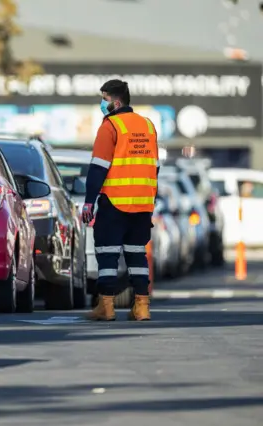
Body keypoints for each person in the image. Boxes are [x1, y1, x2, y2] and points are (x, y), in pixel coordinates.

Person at [80, 79, 159, 322]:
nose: (102, 104)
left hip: (114, 202)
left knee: (107, 253)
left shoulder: (110, 126)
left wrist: (89, 202)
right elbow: (155, 167)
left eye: (104, 99)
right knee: (137, 254)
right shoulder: (148, 126)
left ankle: (106, 306)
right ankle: (142, 307)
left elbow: (98, 168)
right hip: (143, 203)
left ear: (116, 101)